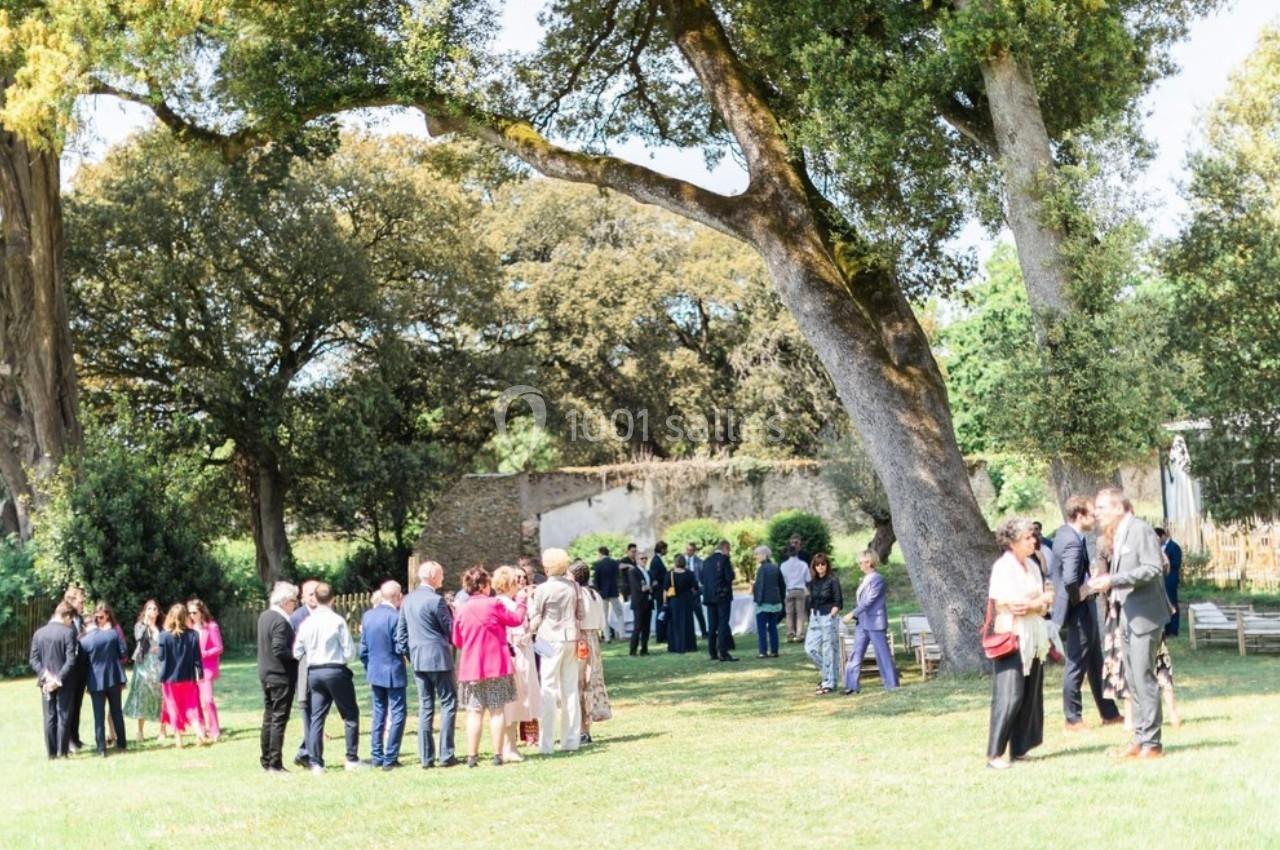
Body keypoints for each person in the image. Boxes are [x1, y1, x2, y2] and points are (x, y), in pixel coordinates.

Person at [1086, 487, 1172, 759]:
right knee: (1133, 680)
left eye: (1101, 508)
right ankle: (1140, 739)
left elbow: (1153, 568)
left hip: (1145, 616)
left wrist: (1112, 580)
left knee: (1144, 678)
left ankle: (1152, 744)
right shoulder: (1119, 532)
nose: (1096, 513)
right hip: (1126, 613)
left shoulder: (1140, 529)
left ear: (1119, 507)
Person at [985, 517, 1054, 769]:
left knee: (1029, 694)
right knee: (1010, 695)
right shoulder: (1003, 567)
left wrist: (1038, 602)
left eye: (1033, 536)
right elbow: (1014, 605)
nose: (1033, 540)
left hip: (1034, 637)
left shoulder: (1033, 565)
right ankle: (995, 754)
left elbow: (1045, 603)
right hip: (1013, 636)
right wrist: (1039, 601)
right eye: (1027, 537)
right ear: (1012, 542)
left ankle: (1021, 748)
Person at [1050, 497, 1122, 731]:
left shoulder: (1065, 534)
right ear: (1079, 516)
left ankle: (1109, 713)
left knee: (1094, 660)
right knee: (1076, 663)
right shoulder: (1072, 541)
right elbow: (1070, 579)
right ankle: (1072, 719)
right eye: (1092, 514)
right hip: (1079, 608)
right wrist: (1084, 591)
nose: (1095, 518)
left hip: (1083, 607)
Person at [452, 566, 528, 767]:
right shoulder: (494, 604)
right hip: (497, 665)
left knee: (474, 711)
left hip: (472, 667)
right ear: (484, 585)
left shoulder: (461, 608)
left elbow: (457, 640)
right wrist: (521, 602)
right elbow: (515, 620)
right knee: (497, 710)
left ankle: (472, 756)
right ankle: (497, 754)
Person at [293, 581, 364, 773]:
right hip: (335, 669)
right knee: (350, 714)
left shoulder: (307, 623)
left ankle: (316, 762)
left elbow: (297, 651)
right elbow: (349, 652)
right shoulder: (337, 621)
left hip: (314, 671)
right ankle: (351, 758)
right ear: (333, 599)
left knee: (317, 717)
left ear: (315, 599)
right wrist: (341, 658)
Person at [396, 558, 459, 769]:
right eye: (440, 574)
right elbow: (450, 629)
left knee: (426, 706)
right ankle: (446, 754)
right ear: (433, 577)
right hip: (438, 658)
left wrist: (410, 655)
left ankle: (426, 757)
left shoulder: (407, 600)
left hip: (418, 659)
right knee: (448, 703)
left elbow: (401, 634)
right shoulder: (436, 601)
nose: (443, 577)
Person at [530, 547, 584, 754]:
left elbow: (536, 616)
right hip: (570, 637)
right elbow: (580, 613)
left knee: (548, 688)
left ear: (547, 566)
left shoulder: (542, 589)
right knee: (570, 689)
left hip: (549, 639)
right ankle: (571, 740)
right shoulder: (574, 587)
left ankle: (547, 743)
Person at [360, 579, 408, 770]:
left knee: (378, 713)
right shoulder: (396, 617)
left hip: (375, 670)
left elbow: (363, 649)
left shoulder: (368, 616)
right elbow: (400, 645)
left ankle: (377, 755)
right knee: (398, 713)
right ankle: (391, 756)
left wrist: (370, 666)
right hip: (393, 669)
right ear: (397, 596)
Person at [494, 566, 539, 761]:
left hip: (504, 655)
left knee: (507, 704)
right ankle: (509, 747)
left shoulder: (496, 602)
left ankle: (507, 746)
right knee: (514, 703)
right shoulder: (511, 605)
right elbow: (519, 634)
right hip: (516, 656)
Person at [841, 550, 899, 694]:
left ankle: (892, 685)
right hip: (862, 623)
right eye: (861, 562)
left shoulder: (878, 579)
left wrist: (852, 614)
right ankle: (851, 686)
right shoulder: (864, 579)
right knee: (855, 654)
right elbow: (862, 601)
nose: (862, 565)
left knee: (882, 655)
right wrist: (856, 616)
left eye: (865, 562)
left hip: (875, 623)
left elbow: (868, 601)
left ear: (872, 562)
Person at [257, 581, 299, 772]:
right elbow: (278, 648)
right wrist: (297, 655)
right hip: (280, 675)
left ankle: (266, 760)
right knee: (278, 720)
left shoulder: (265, 616)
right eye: (294, 601)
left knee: (269, 718)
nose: (295, 605)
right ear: (285, 602)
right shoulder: (281, 621)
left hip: (266, 673)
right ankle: (275, 763)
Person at [29, 602, 79, 759]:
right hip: (64, 681)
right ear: (67, 616)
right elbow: (71, 660)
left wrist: (46, 676)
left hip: (46, 682)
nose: (71, 623)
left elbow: (33, 659)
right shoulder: (68, 633)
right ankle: (62, 752)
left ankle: (51, 753)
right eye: (71, 620)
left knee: (49, 716)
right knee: (64, 715)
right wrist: (57, 679)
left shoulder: (39, 633)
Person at [572, 562, 612, 743]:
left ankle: (582, 728)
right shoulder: (595, 595)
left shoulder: (578, 595)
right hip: (593, 639)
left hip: (581, 640)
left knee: (581, 683)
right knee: (590, 682)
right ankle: (585, 727)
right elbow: (602, 623)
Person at [158, 602, 207, 748]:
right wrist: (200, 676)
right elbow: (198, 659)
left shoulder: (163, 636)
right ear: (185, 617)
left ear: (170, 617)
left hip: (169, 678)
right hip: (188, 677)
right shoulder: (193, 635)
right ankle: (199, 732)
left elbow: (161, 657)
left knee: (173, 707)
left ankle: (178, 740)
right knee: (192, 706)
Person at [124, 599, 165, 743]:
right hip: (143, 665)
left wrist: (153, 628)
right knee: (141, 695)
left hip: (159, 664)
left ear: (158, 612)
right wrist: (147, 626)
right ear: (145, 611)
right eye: (149, 608)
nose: (152, 611)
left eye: (154, 609)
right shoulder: (139, 626)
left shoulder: (162, 628)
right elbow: (139, 640)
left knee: (161, 696)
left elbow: (165, 644)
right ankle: (140, 731)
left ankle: (162, 730)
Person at [289, 578, 319, 767]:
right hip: (303, 671)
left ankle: (304, 751)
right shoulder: (297, 618)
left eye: (317, 592)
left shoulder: (327, 613)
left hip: (323, 671)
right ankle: (310, 755)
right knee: (308, 713)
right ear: (303, 598)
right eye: (310, 594)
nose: (315, 597)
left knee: (318, 713)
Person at [805, 553, 843, 693]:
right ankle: (829, 674)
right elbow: (810, 600)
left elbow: (839, 602)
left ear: (827, 565)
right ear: (814, 567)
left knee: (829, 650)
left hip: (828, 616)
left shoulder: (833, 580)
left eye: (823, 564)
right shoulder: (812, 582)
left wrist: (832, 614)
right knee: (810, 649)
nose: (820, 567)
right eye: (817, 564)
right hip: (815, 617)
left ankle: (829, 683)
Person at [187, 598, 223, 742]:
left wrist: (204, 653)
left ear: (202, 612)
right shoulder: (190, 628)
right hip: (194, 667)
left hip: (207, 667)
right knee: (197, 700)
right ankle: (202, 729)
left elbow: (219, 647)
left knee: (208, 700)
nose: (192, 616)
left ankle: (215, 730)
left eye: (194, 612)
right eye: (190, 613)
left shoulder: (211, 627)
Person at [702, 539, 739, 663]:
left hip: (709, 596)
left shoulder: (706, 561)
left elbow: (702, 579)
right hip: (722, 596)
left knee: (712, 625)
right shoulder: (724, 559)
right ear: (725, 548)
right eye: (729, 550)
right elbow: (729, 577)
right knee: (722, 624)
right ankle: (723, 652)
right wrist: (732, 573)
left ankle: (712, 652)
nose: (729, 553)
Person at [62, 586, 89, 754]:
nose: (83, 604)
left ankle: (76, 737)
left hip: (81, 667)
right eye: (81, 601)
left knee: (78, 704)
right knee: (69, 706)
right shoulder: (65, 621)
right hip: (69, 669)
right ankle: (68, 740)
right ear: (71, 601)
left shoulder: (80, 619)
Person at [752, 546, 785, 658]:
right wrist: (781, 599)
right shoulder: (776, 567)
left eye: (758, 554)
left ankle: (763, 651)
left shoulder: (762, 569)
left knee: (762, 629)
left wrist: (758, 601)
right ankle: (774, 651)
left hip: (764, 603)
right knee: (773, 627)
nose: (756, 557)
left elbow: (760, 586)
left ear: (764, 555)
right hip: (775, 602)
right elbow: (782, 585)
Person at [665, 554, 699, 654]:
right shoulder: (689, 574)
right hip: (687, 601)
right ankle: (689, 645)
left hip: (674, 601)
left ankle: (676, 645)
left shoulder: (669, 574)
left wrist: (665, 603)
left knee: (675, 624)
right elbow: (694, 588)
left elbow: (665, 590)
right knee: (687, 623)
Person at [626, 546, 653, 656]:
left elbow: (651, 586)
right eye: (642, 558)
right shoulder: (634, 571)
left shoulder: (648, 572)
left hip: (648, 602)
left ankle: (644, 649)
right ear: (637, 560)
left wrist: (649, 587)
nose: (644, 560)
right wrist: (649, 587)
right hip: (639, 603)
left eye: (646, 558)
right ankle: (633, 650)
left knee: (647, 628)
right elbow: (639, 587)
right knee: (637, 627)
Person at [592, 547, 624, 642]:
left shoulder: (598, 564)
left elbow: (596, 579)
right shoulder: (614, 563)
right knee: (619, 613)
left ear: (600, 553)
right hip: (614, 591)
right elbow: (618, 576)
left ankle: (607, 637)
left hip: (603, 593)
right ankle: (622, 634)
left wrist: (598, 590)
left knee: (604, 615)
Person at [1157, 527, 1183, 637]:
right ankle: (1166, 629)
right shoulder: (1158, 548)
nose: (1157, 540)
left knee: (1172, 603)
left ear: (1163, 536)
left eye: (1158, 538)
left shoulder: (1174, 547)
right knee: (1163, 604)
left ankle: (1173, 630)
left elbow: (1177, 563)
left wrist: (1166, 562)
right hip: (1161, 579)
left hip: (1171, 579)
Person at [780, 546, 810, 642]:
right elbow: (808, 579)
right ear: (797, 552)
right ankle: (799, 634)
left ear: (788, 553)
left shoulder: (783, 565)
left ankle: (790, 634)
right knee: (800, 613)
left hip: (789, 590)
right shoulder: (803, 564)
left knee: (789, 614)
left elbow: (782, 579)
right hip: (800, 590)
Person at [684, 542, 708, 638]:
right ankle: (688, 634)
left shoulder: (700, 562)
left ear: (694, 551)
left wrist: (699, 588)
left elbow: (703, 577)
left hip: (696, 591)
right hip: (685, 591)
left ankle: (704, 632)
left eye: (691, 550)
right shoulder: (681, 561)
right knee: (686, 615)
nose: (688, 552)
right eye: (687, 550)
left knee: (699, 613)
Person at [650, 541, 670, 643]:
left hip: (661, 590)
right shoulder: (656, 561)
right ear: (662, 549)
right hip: (660, 592)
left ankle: (663, 634)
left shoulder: (658, 559)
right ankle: (661, 636)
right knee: (661, 613)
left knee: (662, 612)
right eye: (665, 549)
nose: (667, 551)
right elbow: (655, 577)